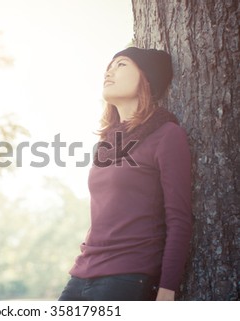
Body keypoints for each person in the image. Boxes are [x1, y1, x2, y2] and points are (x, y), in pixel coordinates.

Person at [58, 47, 193, 301]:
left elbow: (179, 219)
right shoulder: (107, 143)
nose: (109, 71)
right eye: (109, 66)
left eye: (121, 65)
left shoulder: (166, 135)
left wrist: (168, 288)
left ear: (146, 78)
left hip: (127, 277)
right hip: (82, 273)